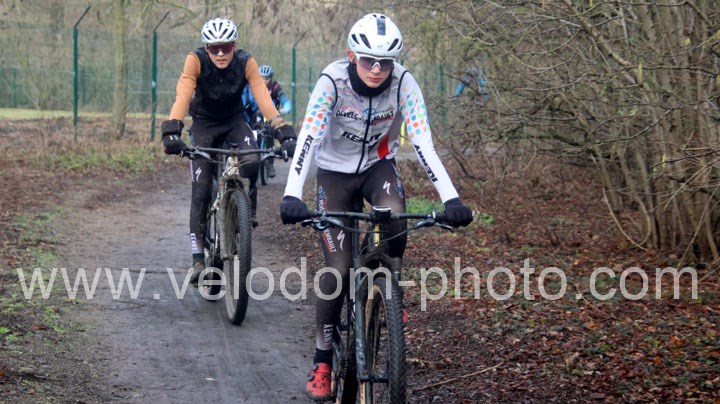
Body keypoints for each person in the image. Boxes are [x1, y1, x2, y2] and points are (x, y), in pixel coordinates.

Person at [277, 13, 473, 401]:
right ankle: (322, 359)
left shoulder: (404, 83)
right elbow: (309, 137)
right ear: (352, 55)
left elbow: (423, 142)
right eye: (368, 60)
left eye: (386, 62)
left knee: (395, 220)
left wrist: (451, 199)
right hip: (333, 173)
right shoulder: (332, 81)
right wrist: (292, 195)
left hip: (377, 166)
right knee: (338, 268)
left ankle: (383, 282)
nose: (377, 69)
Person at [161, 17, 296, 286]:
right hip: (204, 123)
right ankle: (198, 259)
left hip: (235, 121)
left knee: (252, 159)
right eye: (214, 48)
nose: (221, 53)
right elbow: (184, 93)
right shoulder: (195, 60)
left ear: (235, 46)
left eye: (226, 47)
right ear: (206, 48)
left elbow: (263, 97)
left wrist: (282, 130)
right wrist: (172, 128)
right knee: (201, 187)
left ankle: (246, 208)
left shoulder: (246, 62)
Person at [242, 64, 292, 177]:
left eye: (267, 78)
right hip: (253, 115)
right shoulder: (251, 86)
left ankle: (269, 163)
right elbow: (244, 100)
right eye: (262, 78)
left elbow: (285, 100)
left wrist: (285, 109)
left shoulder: (274, 87)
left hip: (268, 114)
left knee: (268, 132)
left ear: (271, 79)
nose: (264, 81)